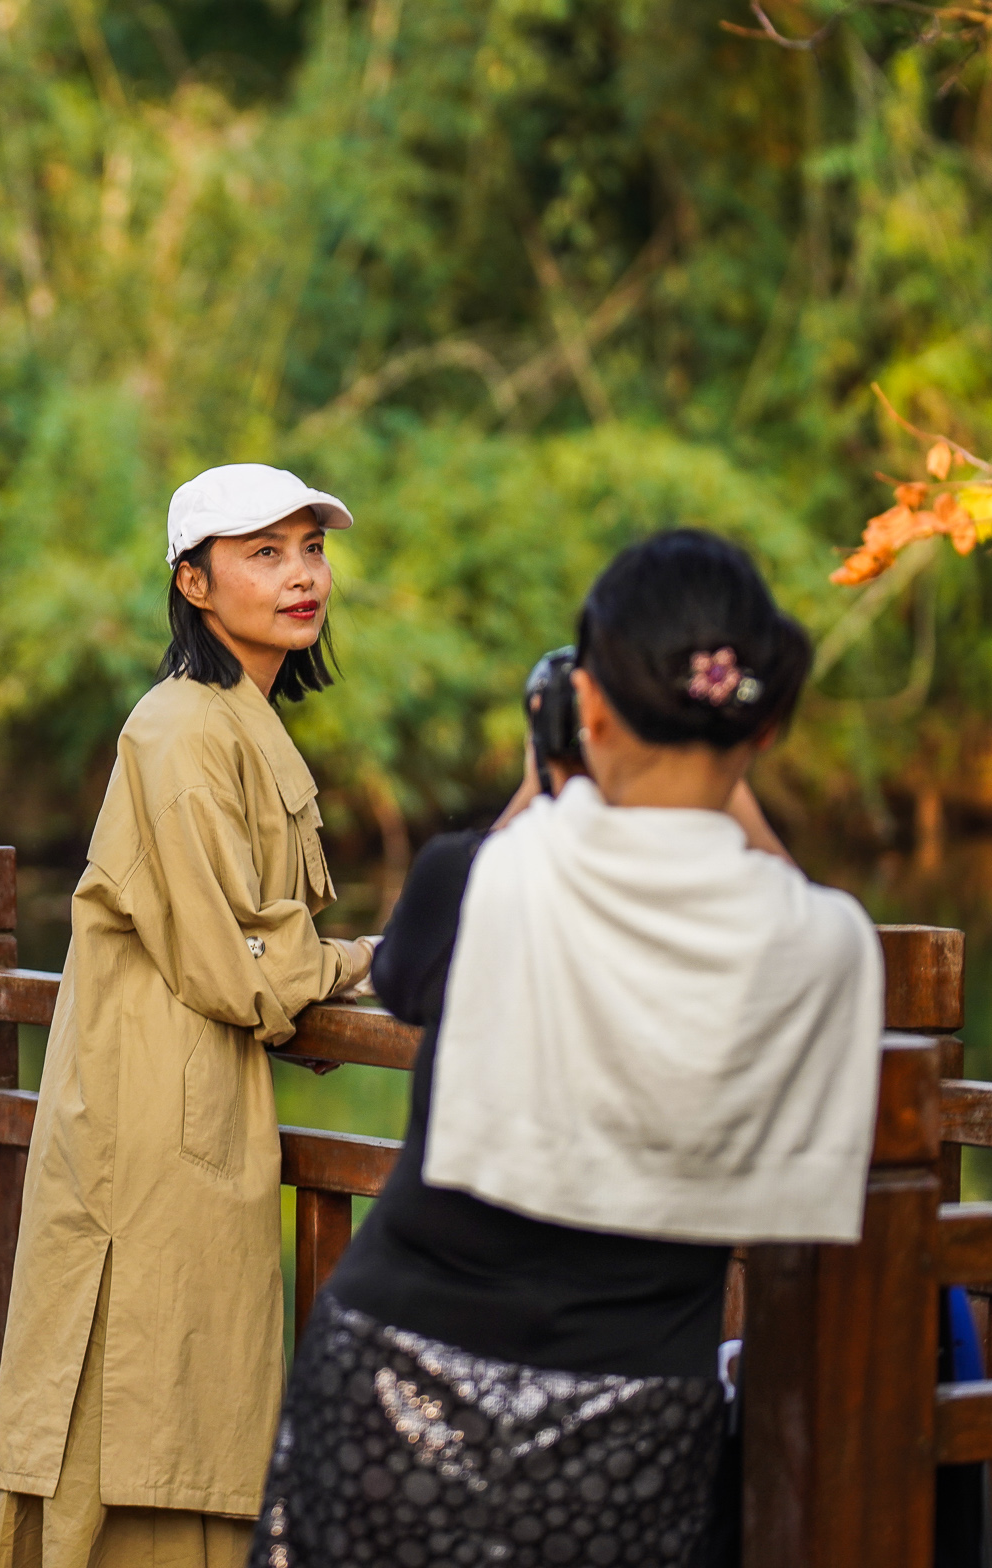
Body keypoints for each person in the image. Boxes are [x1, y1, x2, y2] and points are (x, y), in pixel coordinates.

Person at [257, 529, 885, 1568]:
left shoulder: (478, 879)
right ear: (767, 725)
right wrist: (720, 777)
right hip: (636, 1426)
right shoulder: (826, 946)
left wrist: (552, 767)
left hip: (391, 1387)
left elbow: (408, 978)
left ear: (587, 707)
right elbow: (786, 889)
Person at [0, 464, 381, 1568]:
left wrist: (324, 963)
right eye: (266, 552)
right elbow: (240, 964)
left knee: (186, 1409)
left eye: (310, 547)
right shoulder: (179, 732)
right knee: (139, 1420)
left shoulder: (228, 720)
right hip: (149, 1130)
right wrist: (359, 960)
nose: (301, 574)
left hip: (189, 1110)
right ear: (194, 582)